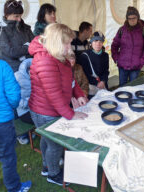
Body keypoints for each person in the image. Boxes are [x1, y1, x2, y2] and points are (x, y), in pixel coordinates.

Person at [28, 23, 88, 186]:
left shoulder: (56, 55)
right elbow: (54, 96)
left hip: (47, 109)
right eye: (67, 43)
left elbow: (70, 79)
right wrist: (71, 114)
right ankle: (53, 174)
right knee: (55, 144)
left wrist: (79, 94)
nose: (69, 46)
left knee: (47, 140)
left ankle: (47, 166)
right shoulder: (45, 61)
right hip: (44, 111)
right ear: (56, 41)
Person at [0, 54, 32, 192]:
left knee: (7, 157)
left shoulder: (1, 66)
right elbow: (14, 96)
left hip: (1, 119)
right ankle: (14, 188)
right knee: (7, 157)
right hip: (2, 121)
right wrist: (9, 108)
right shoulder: (1, 66)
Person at [111, 6, 144, 86]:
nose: (132, 20)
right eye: (129, 18)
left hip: (136, 67)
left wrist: (141, 62)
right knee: (122, 88)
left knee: (133, 88)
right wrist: (116, 59)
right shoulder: (122, 30)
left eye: (134, 18)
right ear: (127, 19)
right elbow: (114, 46)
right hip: (122, 66)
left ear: (138, 18)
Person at [0, 0, 34, 72]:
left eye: (20, 16)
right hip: (13, 71)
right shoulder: (0, 30)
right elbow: (11, 52)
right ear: (7, 15)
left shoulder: (26, 28)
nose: (19, 19)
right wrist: (28, 47)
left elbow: (36, 45)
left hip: (32, 67)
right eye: (16, 16)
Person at [78, 31, 109, 98]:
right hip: (91, 87)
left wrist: (103, 81)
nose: (98, 43)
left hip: (102, 85)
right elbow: (84, 74)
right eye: (95, 41)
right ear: (91, 43)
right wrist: (96, 83)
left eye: (100, 41)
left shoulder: (105, 55)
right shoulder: (85, 56)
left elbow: (106, 71)